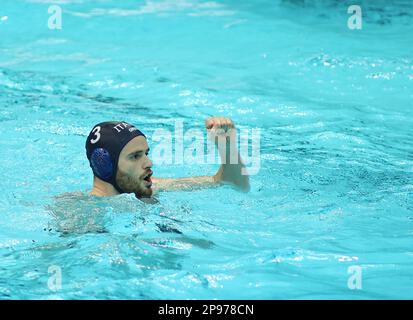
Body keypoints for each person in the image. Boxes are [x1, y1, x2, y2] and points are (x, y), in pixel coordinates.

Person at [86, 117, 250, 199]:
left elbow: (231, 184)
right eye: (135, 156)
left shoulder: (152, 187)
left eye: (146, 153)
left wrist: (226, 147)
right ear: (105, 164)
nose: (149, 162)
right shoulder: (82, 211)